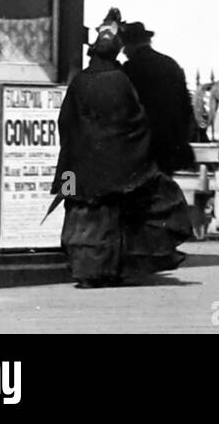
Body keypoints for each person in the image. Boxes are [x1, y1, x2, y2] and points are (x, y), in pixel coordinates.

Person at [53, 22, 194, 287]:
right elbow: (137, 121)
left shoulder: (80, 81)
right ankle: (112, 269)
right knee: (118, 216)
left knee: (82, 212)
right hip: (118, 162)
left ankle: (85, 270)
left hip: (81, 166)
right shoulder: (122, 80)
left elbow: (66, 123)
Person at [119, 20, 197, 175]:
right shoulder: (170, 64)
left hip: (141, 148)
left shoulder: (130, 69)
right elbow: (186, 108)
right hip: (169, 146)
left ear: (129, 44)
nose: (123, 52)